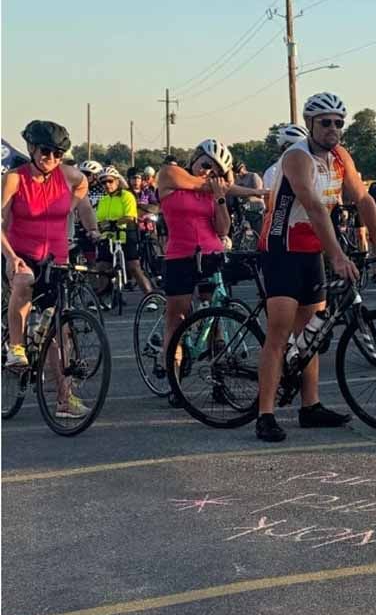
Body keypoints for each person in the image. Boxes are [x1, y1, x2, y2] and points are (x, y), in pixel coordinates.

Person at [256, 92, 376, 441]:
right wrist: (336, 256)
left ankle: (310, 406)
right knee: (280, 332)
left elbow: (363, 198)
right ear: (310, 125)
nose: (333, 129)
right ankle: (265, 414)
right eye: (325, 123)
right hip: (282, 248)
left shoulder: (340, 157)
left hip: (311, 250)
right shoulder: (297, 157)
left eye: (338, 123)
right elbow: (315, 207)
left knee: (311, 334)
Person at [2, 121, 100, 417]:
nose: (52, 158)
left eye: (58, 153)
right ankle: (15, 347)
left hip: (56, 257)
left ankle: (63, 399)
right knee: (24, 280)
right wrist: (9, 256)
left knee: (62, 331)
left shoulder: (68, 175)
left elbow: (83, 190)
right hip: (20, 253)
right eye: (46, 151)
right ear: (32, 148)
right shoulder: (14, 179)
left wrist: (83, 219)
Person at [156, 139, 234, 405]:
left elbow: (223, 230)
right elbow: (183, 179)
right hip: (180, 255)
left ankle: (219, 382)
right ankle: (174, 382)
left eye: (215, 171)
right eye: (205, 164)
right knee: (175, 320)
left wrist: (220, 197)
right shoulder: (170, 176)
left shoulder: (212, 191)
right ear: (194, 158)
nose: (208, 173)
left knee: (216, 321)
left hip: (210, 254)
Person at [94, 164, 155, 301]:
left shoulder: (127, 196)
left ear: (117, 181)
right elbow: (100, 220)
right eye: (103, 182)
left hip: (126, 233)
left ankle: (150, 297)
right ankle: (102, 297)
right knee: (102, 267)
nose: (107, 185)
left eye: (110, 181)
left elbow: (130, 217)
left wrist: (112, 223)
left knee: (133, 267)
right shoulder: (103, 200)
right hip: (109, 235)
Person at [231, 159, 266, 238]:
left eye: (239, 171)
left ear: (243, 168)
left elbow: (259, 194)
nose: (237, 174)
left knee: (258, 232)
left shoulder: (253, 176)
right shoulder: (236, 179)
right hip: (243, 209)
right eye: (235, 172)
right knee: (243, 232)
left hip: (256, 209)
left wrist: (245, 194)